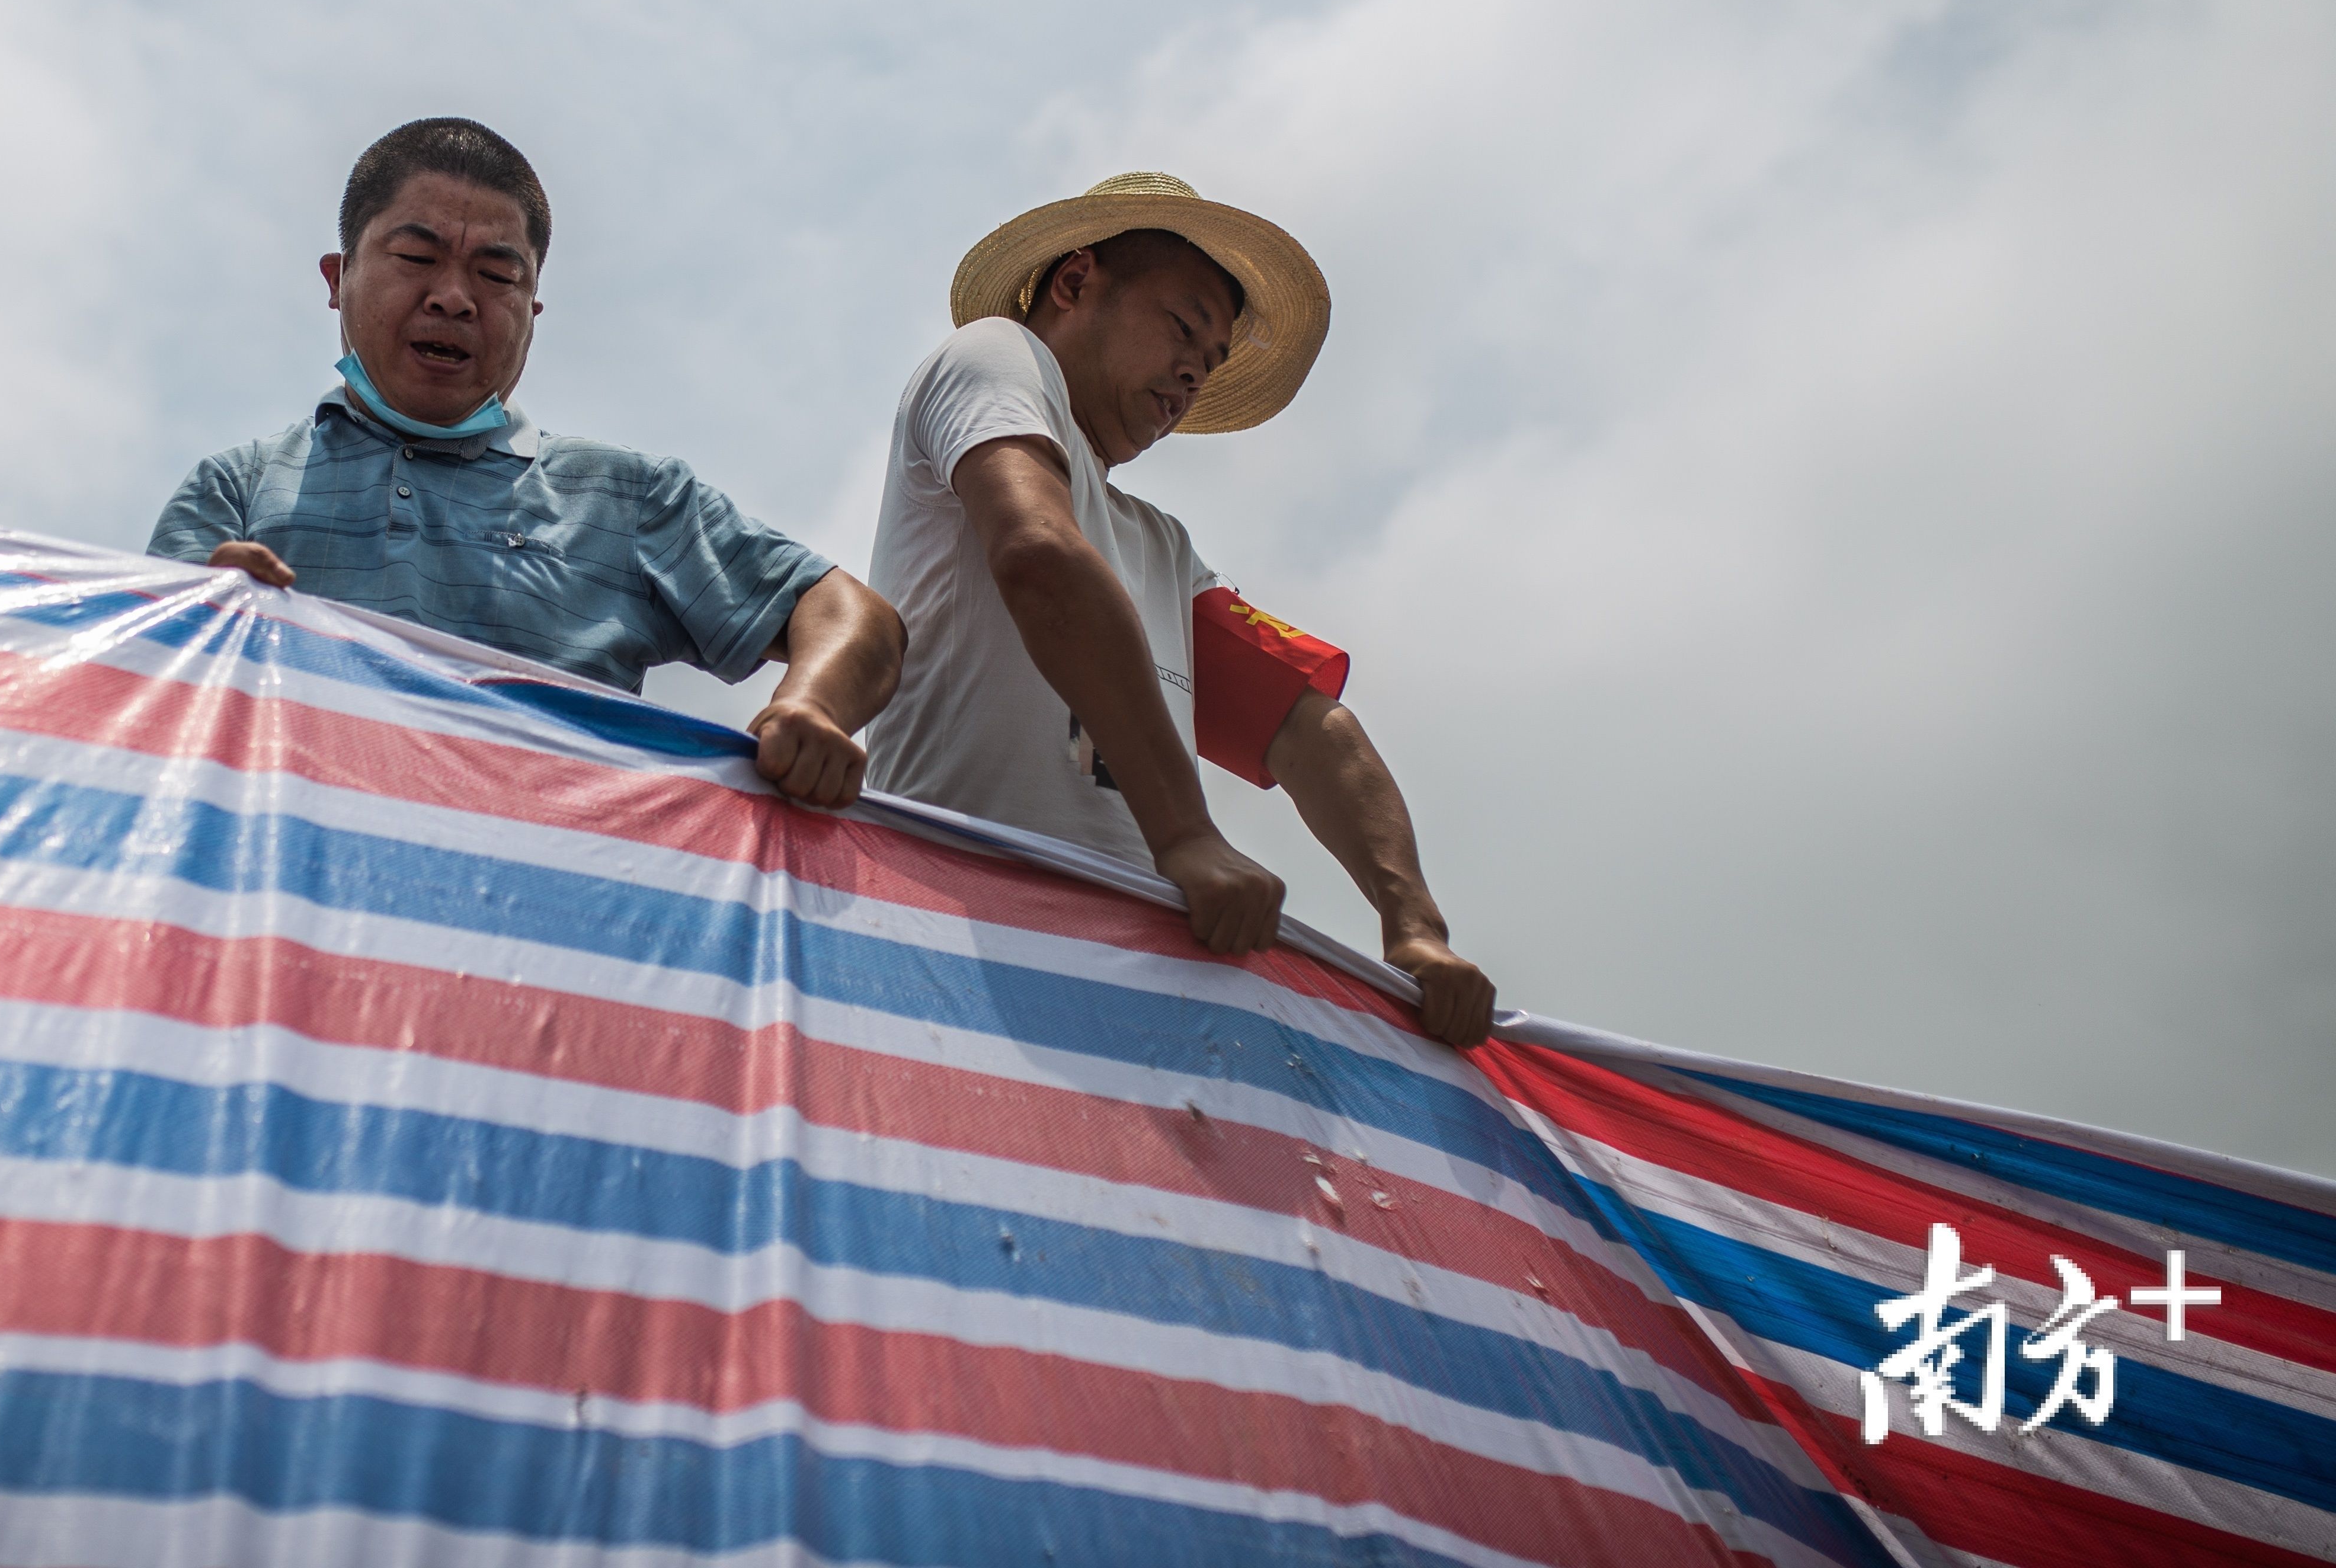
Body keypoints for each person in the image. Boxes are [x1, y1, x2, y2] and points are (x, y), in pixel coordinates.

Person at [865, 172, 1497, 1046]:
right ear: (1076, 282)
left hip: (1135, 981)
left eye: (1216, 357)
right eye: (1184, 326)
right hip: (954, 931)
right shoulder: (994, 355)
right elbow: (1040, 558)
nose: (1197, 368)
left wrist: (1416, 928)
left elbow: (1307, 725)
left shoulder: (1159, 548)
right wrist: (1187, 839)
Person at [150, 119, 902, 808]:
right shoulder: (236, 490)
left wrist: (810, 707)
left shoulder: (628, 497)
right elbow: (136, 700)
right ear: (336, 278)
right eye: (416, 257)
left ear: (533, 309)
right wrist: (201, 618)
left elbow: (855, 617)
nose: (453, 298)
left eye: (497, 276)